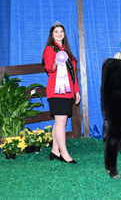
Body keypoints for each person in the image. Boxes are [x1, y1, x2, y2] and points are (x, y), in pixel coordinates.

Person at [42, 21, 81, 163]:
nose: (59, 34)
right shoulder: (50, 49)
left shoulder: (67, 51)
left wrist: (76, 91)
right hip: (56, 91)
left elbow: (73, 75)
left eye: (61, 31)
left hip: (67, 91)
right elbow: (48, 67)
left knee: (59, 122)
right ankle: (64, 154)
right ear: (52, 35)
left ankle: (54, 151)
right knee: (61, 121)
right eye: (56, 32)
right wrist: (55, 63)